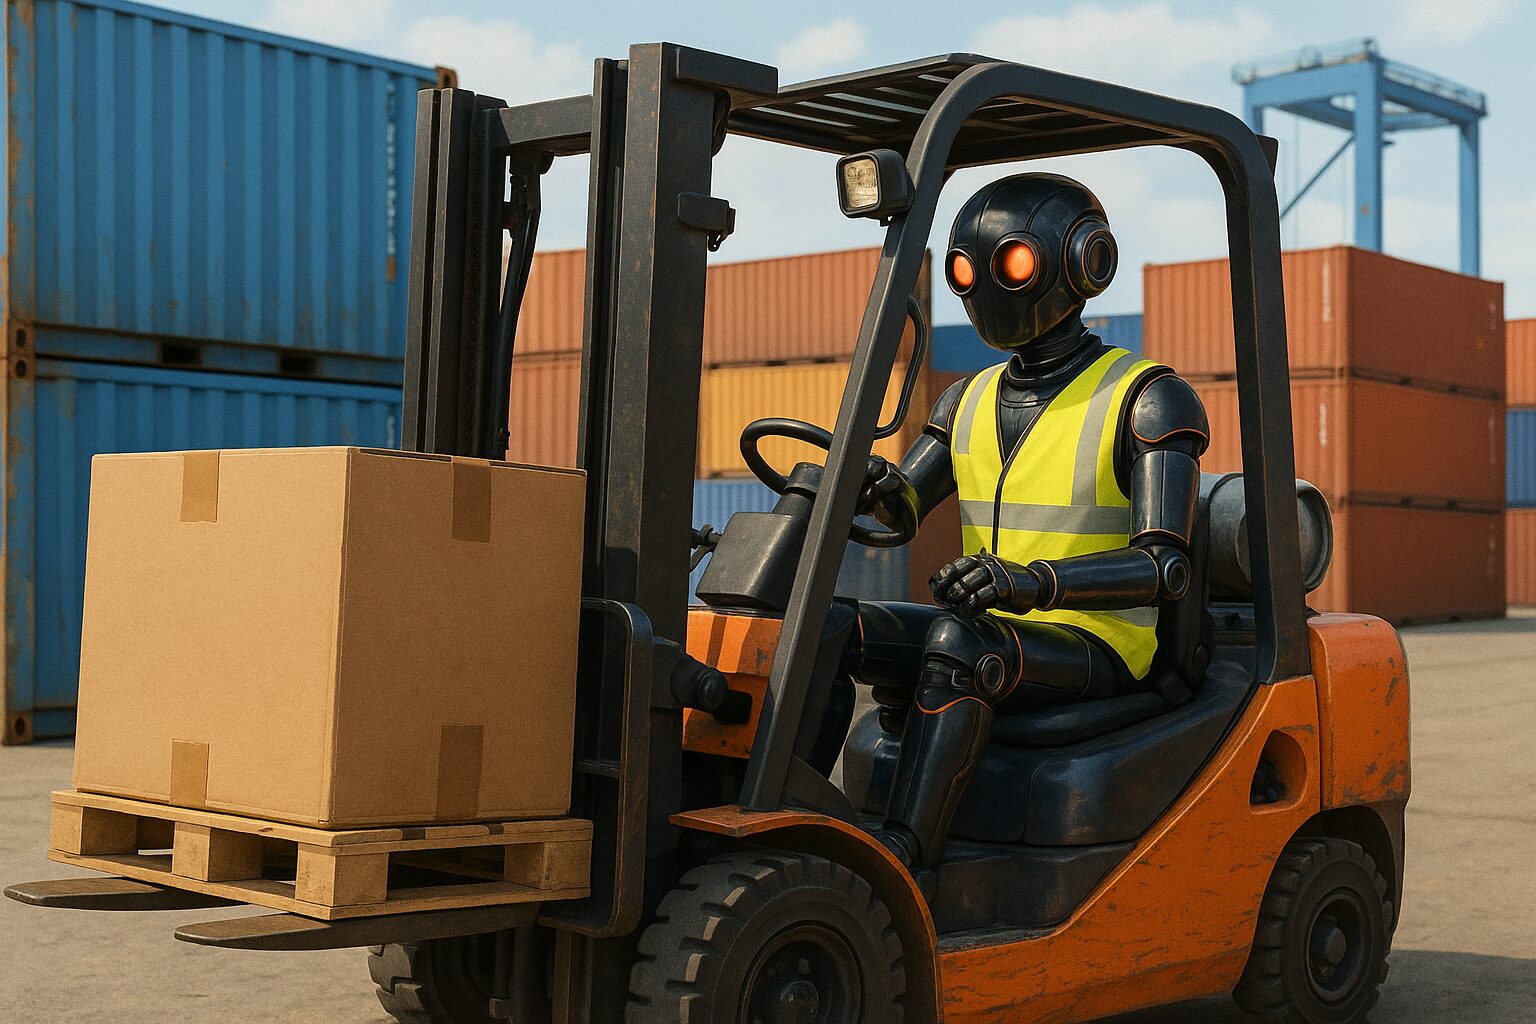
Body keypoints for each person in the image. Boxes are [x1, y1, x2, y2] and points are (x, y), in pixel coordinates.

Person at [857, 173, 1209, 870]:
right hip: (1002, 624)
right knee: (840, 628)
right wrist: (863, 491)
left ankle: (903, 866)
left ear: (1085, 261)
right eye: (967, 269)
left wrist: (1026, 584)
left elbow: (1164, 567)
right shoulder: (968, 399)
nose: (984, 284)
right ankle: (796, 818)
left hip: (1100, 645)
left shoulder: (1145, 398)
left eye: (1010, 264)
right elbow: (899, 511)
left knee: (958, 645)